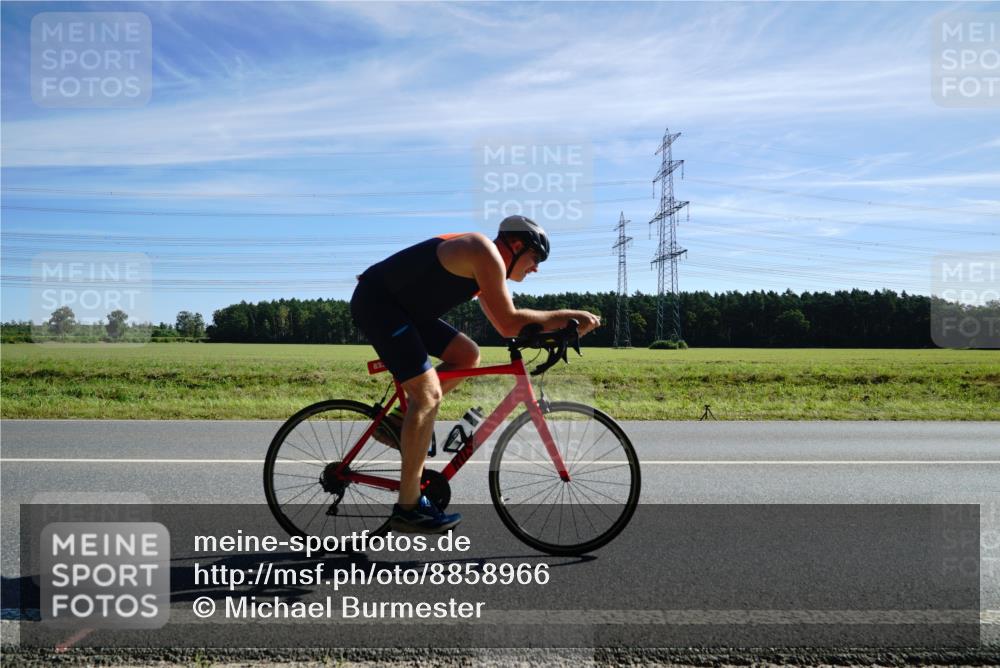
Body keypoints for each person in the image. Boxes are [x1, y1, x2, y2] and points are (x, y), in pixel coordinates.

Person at [350, 215, 601, 533]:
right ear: (516, 245)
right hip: (380, 305)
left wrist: (551, 333)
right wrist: (571, 318)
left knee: (467, 355)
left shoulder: (486, 263)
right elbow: (510, 322)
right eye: (536, 258)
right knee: (427, 395)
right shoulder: (484, 252)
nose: (536, 268)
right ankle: (408, 507)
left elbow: (505, 328)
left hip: (403, 311)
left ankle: (399, 423)